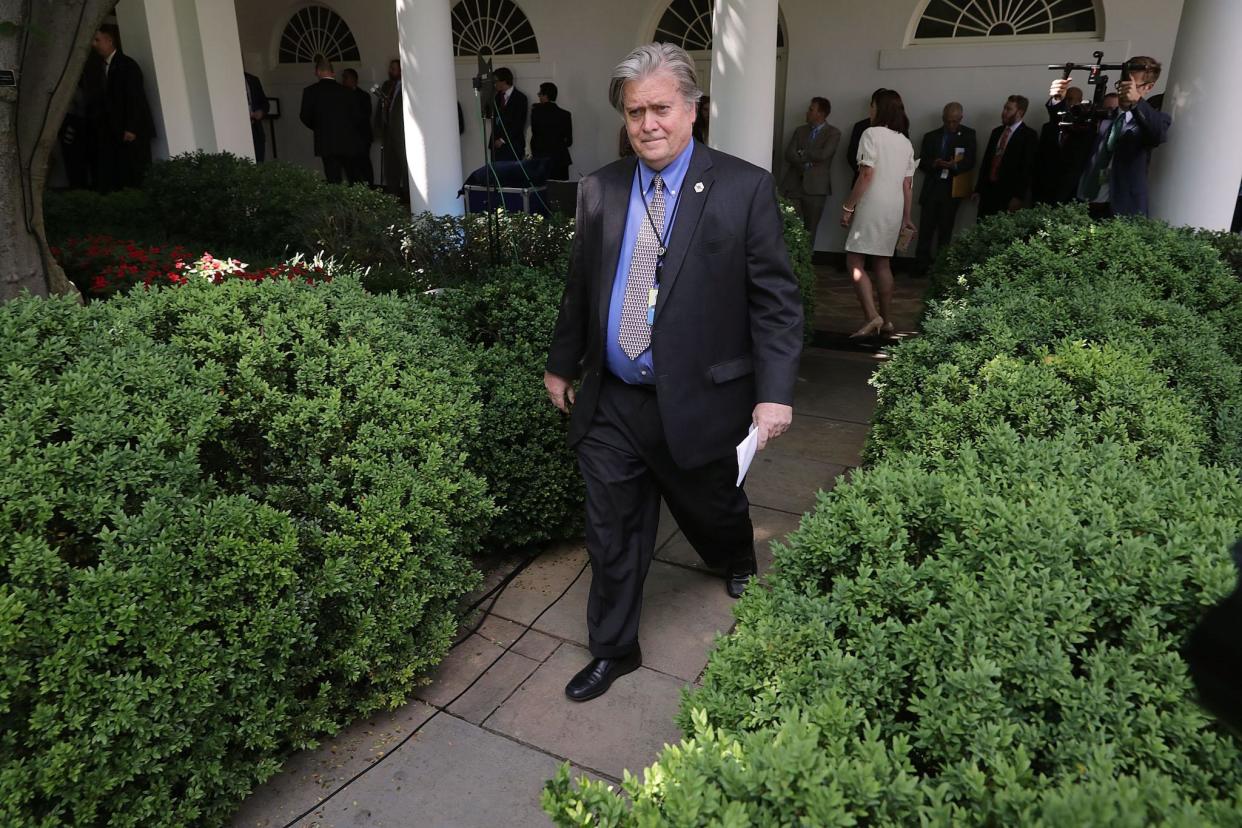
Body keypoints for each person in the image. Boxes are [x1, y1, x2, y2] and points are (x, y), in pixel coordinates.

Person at [543, 43, 803, 702]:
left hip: (699, 400)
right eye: (636, 112)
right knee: (612, 530)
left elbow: (775, 301)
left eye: (660, 108)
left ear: (693, 109)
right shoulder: (601, 188)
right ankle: (614, 648)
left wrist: (773, 395)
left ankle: (735, 554)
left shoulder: (742, 189)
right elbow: (582, 289)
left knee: (711, 505)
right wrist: (560, 364)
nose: (647, 124)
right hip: (614, 403)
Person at [1050, 56, 1170, 218]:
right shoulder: (1100, 117)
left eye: (1130, 87)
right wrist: (1058, 99)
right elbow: (1063, 123)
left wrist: (1137, 102)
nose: (1123, 91)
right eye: (1121, 84)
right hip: (1079, 205)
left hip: (1118, 210)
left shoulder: (1153, 120)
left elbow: (1156, 134)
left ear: (1148, 87)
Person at [839, 89, 916, 338]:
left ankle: (872, 317)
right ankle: (888, 320)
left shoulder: (870, 133)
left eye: (872, 105)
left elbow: (866, 174)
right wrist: (906, 217)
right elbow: (907, 185)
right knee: (883, 262)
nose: (869, 110)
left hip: (872, 204)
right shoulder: (905, 142)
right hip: (893, 207)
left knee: (854, 260)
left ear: (878, 108)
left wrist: (848, 206)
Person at [87, 25, 154, 192]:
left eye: (97, 40)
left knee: (135, 169)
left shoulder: (127, 65)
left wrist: (131, 127)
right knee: (119, 171)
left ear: (109, 41)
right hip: (113, 130)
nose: (94, 45)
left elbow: (134, 97)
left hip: (130, 130)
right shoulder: (101, 67)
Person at [914, 102, 976, 275]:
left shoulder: (968, 135)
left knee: (946, 231)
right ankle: (920, 265)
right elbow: (921, 162)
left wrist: (954, 166)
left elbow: (970, 161)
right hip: (932, 188)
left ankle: (941, 268)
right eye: (948, 121)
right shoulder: (930, 136)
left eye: (955, 121)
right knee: (925, 229)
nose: (951, 125)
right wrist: (934, 163)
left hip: (952, 189)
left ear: (961, 119)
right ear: (943, 118)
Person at [781, 96, 841, 242]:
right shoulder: (800, 131)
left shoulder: (833, 133)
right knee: (787, 226)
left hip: (816, 188)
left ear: (821, 113)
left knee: (810, 229)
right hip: (794, 185)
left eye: (811, 110)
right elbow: (789, 154)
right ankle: (788, 263)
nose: (807, 112)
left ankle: (805, 264)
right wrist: (806, 161)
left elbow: (824, 154)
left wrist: (802, 152)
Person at [299, 57, 367, 184]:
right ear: (333, 72)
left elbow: (305, 116)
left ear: (317, 72)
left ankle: (336, 203)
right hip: (348, 140)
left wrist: (320, 127)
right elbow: (357, 117)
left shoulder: (310, 92)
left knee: (333, 178)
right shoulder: (347, 92)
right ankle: (356, 203)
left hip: (325, 141)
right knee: (353, 177)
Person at [974, 94, 1038, 219]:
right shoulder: (997, 132)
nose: (1004, 113)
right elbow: (987, 161)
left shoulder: (1029, 136)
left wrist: (1018, 197)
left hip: (1008, 195)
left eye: (1009, 109)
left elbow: (1027, 168)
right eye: (1004, 108)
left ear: (1020, 112)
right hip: (988, 193)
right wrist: (978, 189)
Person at [1033, 85, 1092, 205]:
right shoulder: (1049, 128)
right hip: (1044, 192)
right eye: (1066, 100)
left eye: (1071, 99)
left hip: (1071, 196)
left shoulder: (1087, 130)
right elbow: (1039, 161)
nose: (1068, 103)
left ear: (1080, 102)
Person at [375, 59, 408, 197]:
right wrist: (379, 129)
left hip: (403, 133)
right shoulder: (387, 85)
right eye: (390, 68)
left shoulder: (409, 85)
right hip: (388, 132)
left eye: (394, 68)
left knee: (406, 165)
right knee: (390, 165)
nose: (390, 71)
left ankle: (409, 195)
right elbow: (379, 109)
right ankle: (392, 193)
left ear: (401, 70)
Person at [530, 81, 574, 179]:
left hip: (541, 159)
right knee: (560, 191)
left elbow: (535, 135)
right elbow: (569, 141)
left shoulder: (536, 113)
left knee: (543, 190)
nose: (539, 97)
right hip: (560, 160)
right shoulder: (565, 114)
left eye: (540, 94)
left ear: (545, 96)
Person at [341, 68, 374, 185]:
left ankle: (369, 188)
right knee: (349, 166)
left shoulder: (363, 96)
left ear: (353, 79)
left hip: (362, 138)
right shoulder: (340, 95)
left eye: (346, 77)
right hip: (346, 139)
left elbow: (365, 115)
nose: (343, 80)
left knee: (364, 164)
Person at [847, 89, 888, 185]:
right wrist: (864, 172)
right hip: (861, 180)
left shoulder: (898, 129)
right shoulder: (860, 126)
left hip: (885, 183)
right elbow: (851, 154)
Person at [490, 67, 528, 161]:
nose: (494, 84)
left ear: (504, 81)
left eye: (496, 81)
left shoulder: (520, 98)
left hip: (512, 145)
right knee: (496, 174)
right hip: (496, 146)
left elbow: (519, 123)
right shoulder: (496, 97)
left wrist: (503, 140)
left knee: (511, 174)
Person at [244, 71, 270, 163]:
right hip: (239, 129)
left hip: (256, 129)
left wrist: (261, 112)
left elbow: (265, 103)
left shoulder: (252, 79)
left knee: (258, 163)